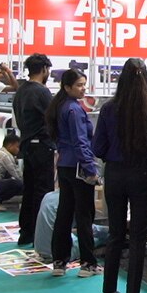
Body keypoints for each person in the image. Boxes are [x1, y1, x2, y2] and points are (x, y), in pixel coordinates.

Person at [94, 58, 147, 293]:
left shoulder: (108, 108)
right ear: (145, 78)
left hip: (115, 174)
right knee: (138, 237)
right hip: (141, 173)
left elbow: (98, 147)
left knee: (115, 234)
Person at [47, 67, 99, 277]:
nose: (83, 89)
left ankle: (59, 261)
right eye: (79, 85)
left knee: (65, 212)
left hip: (65, 165)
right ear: (67, 87)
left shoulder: (59, 106)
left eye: (84, 84)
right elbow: (80, 142)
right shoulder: (75, 110)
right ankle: (88, 264)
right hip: (78, 167)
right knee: (84, 214)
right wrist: (90, 169)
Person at [13, 53, 54, 247]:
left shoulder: (21, 90)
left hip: (27, 144)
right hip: (42, 146)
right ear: (45, 69)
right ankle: (40, 233)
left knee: (29, 189)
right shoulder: (42, 92)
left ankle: (26, 232)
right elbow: (53, 117)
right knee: (42, 191)